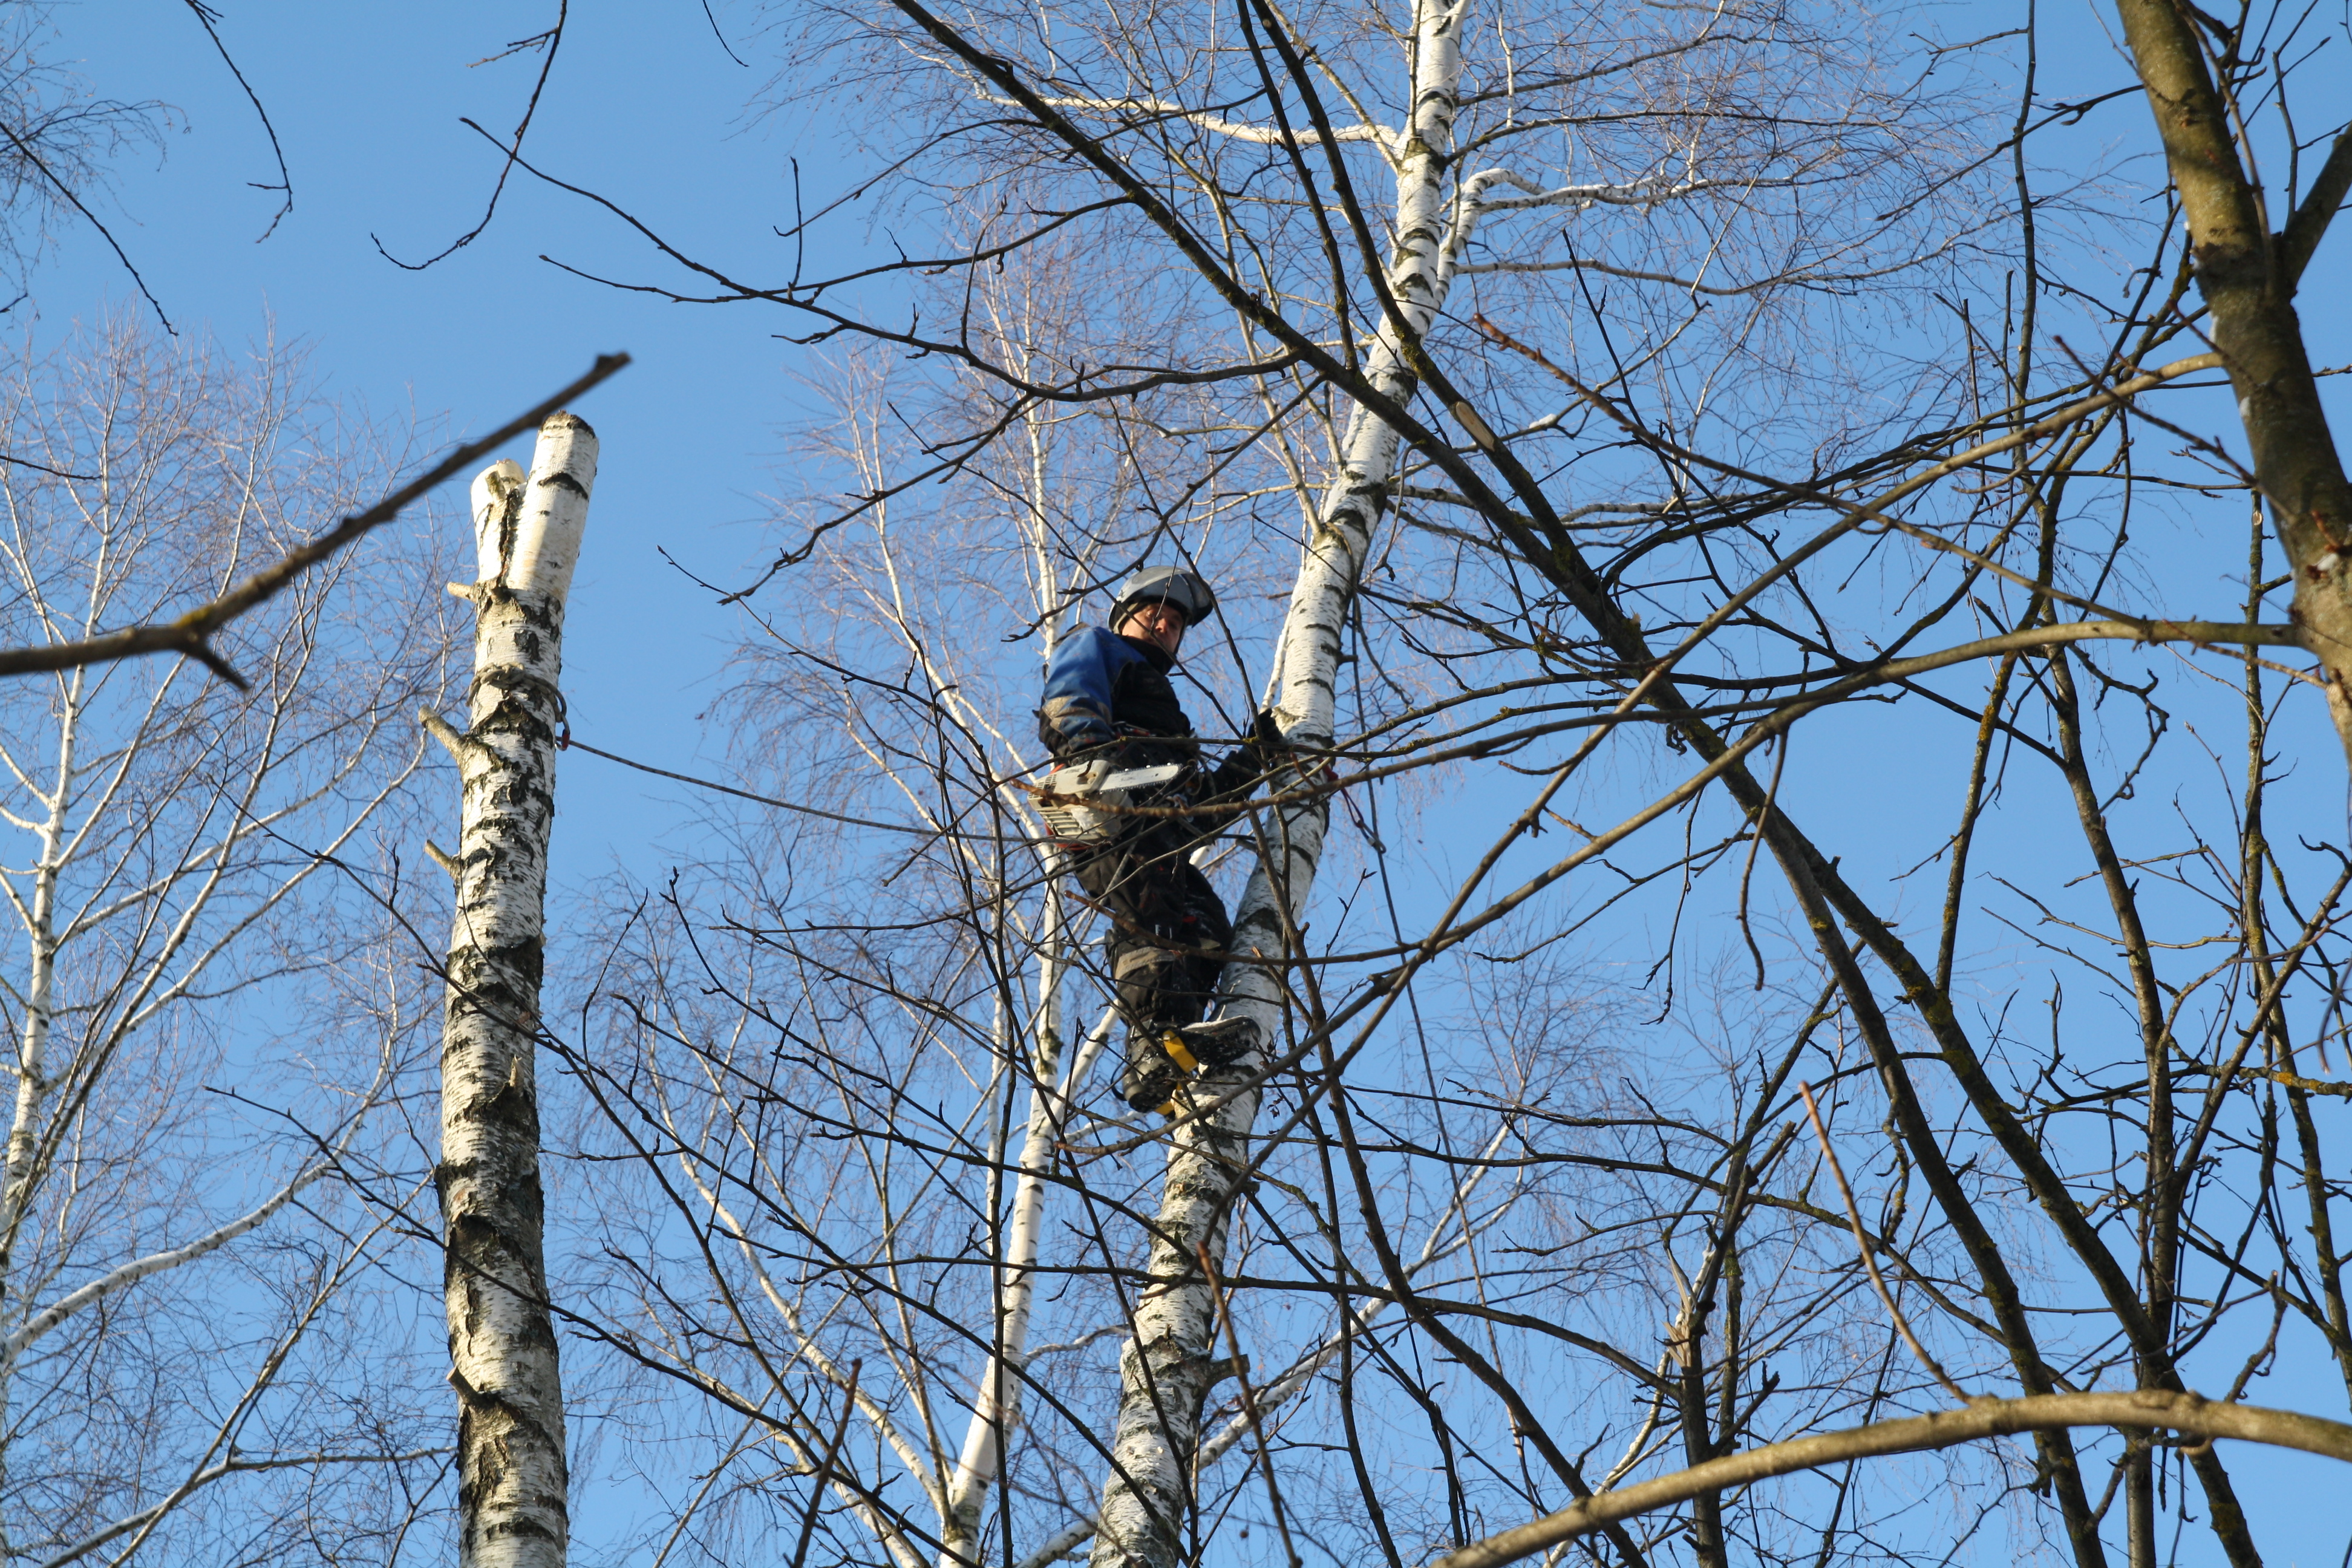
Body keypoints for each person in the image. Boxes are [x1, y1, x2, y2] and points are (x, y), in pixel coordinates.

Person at [1036, 565, 1282, 1113]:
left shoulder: (1169, 717)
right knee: (1156, 913)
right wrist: (1090, 754)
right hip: (1106, 810)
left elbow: (1199, 808)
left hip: (1154, 824)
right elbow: (1070, 696)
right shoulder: (1097, 644)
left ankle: (1182, 1042)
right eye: (1156, 616)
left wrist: (1254, 760)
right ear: (1126, 617)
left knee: (1207, 925)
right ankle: (1151, 1045)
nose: (1167, 627)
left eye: (1175, 623)